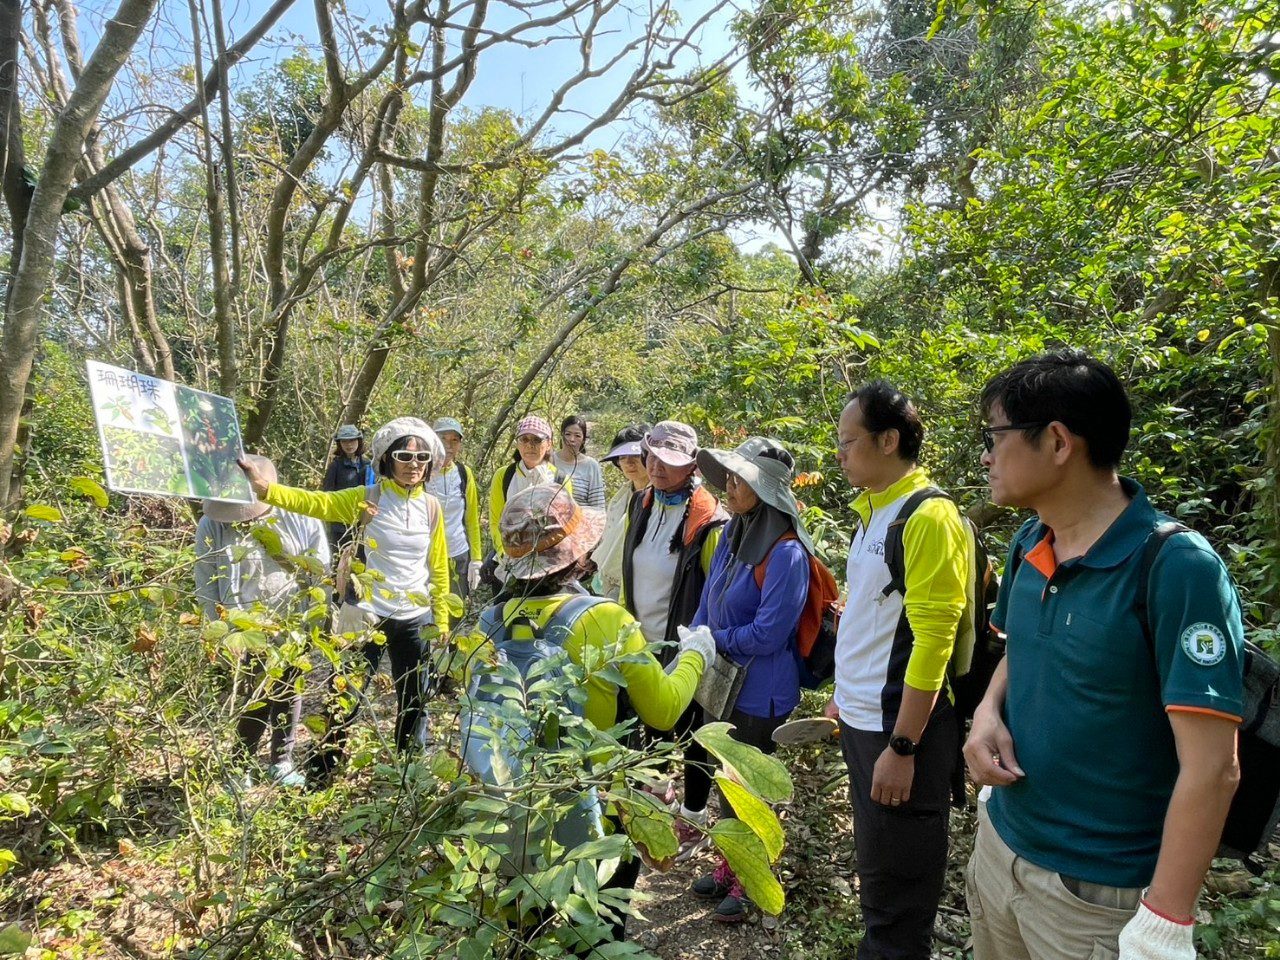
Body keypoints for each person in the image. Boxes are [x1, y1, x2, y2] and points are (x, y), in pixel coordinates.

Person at [963, 349, 1244, 960]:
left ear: (1058, 441)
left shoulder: (1177, 568)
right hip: (1001, 848)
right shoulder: (1030, 540)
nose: (985, 455)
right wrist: (987, 711)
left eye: (996, 436)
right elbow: (1020, 650)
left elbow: (1214, 768)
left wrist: (1164, 924)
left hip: (1095, 898)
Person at [460, 483, 716, 942]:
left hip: (515, 802)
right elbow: (662, 711)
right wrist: (695, 653)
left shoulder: (488, 624)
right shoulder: (605, 619)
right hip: (599, 802)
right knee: (599, 927)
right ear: (577, 554)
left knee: (527, 919)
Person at [823, 383, 971, 959]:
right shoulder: (874, 511)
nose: (840, 453)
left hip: (900, 730)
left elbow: (932, 641)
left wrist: (904, 745)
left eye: (848, 442)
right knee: (880, 873)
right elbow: (874, 623)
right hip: (866, 720)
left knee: (900, 896)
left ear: (888, 440)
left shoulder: (927, 516)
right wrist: (843, 694)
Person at [239, 418, 452, 779]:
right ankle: (322, 771)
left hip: (414, 617)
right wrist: (266, 490)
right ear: (387, 459)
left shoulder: (431, 507)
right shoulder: (366, 499)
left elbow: (439, 566)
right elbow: (316, 503)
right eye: (404, 455)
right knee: (346, 698)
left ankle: (406, 773)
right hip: (366, 615)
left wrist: (442, 619)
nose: (413, 464)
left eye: (421, 458)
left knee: (413, 701)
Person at [683, 437, 813, 923]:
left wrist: (712, 641)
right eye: (730, 477)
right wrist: (695, 636)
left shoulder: (786, 554)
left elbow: (769, 633)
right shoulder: (736, 534)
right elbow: (708, 598)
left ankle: (751, 878)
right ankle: (731, 862)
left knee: (748, 787)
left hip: (762, 692)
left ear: (766, 490)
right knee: (725, 779)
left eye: (741, 479)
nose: (730, 486)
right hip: (723, 682)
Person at [194, 454, 329, 789]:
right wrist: (218, 630)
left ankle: (281, 761)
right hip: (242, 626)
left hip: (291, 621)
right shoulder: (212, 524)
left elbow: (321, 567)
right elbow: (205, 578)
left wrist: (313, 619)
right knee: (255, 695)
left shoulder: (299, 514)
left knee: (288, 690)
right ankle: (241, 765)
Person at [618, 420, 727, 816]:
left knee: (696, 734)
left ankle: (695, 814)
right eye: (652, 456)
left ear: (692, 467)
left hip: (687, 648)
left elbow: (717, 595)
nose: (657, 466)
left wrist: (700, 649)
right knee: (653, 728)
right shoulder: (640, 503)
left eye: (670, 460)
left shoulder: (710, 522)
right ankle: (657, 807)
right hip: (641, 641)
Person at [487, 415, 572, 572]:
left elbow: (565, 526)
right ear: (517, 444)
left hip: (547, 564)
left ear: (548, 444)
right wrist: (506, 553)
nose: (530, 445)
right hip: (509, 562)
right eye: (524, 439)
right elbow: (495, 521)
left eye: (536, 440)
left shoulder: (560, 480)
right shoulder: (503, 476)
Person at [591, 423, 651, 599]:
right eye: (622, 457)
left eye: (635, 455)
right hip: (612, 585)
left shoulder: (660, 498)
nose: (629, 462)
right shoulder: (619, 499)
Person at [427, 417, 482, 600]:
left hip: (458, 554)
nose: (448, 446)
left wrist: (476, 559)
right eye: (443, 439)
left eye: (454, 440)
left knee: (455, 613)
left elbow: (471, 519)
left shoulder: (463, 473)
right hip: (426, 556)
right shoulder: (420, 471)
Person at [321, 425, 376, 556]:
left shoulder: (368, 465)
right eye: (344, 441)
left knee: (361, 560)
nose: (349, 445)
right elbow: (327, 493)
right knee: (340, 559)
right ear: (339, 444)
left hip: (363, 523)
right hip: (340, 523)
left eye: (352, 440)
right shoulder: (335, 466)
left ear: (359, 441)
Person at [552, 415, 605, 509]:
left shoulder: (591, 466)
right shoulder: (549, 460)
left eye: (577, 436)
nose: (572, 439)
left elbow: (597, 506)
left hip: (582, 520)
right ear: (562, 435)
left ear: (583, 440)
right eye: (568, 434)